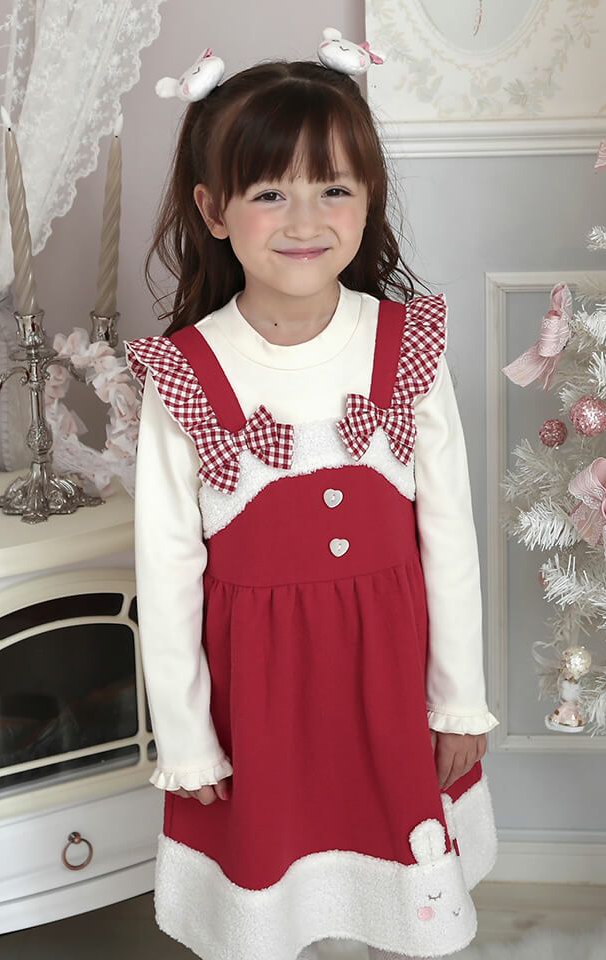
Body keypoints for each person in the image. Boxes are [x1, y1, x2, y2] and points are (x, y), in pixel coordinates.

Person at [125, 28, 499, 960]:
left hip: (388, 684)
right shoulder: (187, 373)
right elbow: (165, 574)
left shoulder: (405, 348)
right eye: (269, 192)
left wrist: (457, 701)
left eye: (334, 188)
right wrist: (188, 739)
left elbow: (450, 536)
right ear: (213, 209)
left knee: (395, 881)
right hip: (260, 699)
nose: (305, 218)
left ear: (369, 198)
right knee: (276, 888)